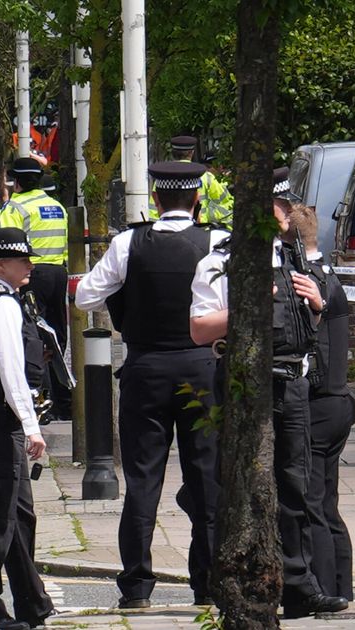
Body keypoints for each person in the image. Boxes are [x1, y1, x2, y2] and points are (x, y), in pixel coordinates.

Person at [189, 167, 347, 619]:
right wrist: (248, 305)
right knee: (244, 487)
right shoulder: (222, 258)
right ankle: (238, 586)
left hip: (294, 381)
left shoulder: (294, 255)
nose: (288, 213)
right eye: (279, 206)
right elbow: (199, 329)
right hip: (248, 384)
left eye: (286, 205)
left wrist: (315, 306)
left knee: (297, 488)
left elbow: (305, 327)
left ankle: (298, 586)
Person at [75, 161, 224, 608]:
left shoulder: (128, 243)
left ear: (156, 200)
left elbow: (86, 295)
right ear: (196, 199)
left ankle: (136, 587)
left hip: (145, 371)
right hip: (202, 369)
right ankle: (208, 583)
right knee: (206, 479)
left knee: (143, 481)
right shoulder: (217, 241)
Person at [0, 227, 56, 630]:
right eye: (23, 260)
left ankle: (33, 604)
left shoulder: (11, 300)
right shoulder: (1, 305)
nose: (30, 266)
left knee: (19, 516)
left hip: (2, 415)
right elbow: (11, 371)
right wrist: (31, 424)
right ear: (0, 264)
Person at [283, 203, 355, 600]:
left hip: (318, 402)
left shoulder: (307, 281)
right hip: (338, 403)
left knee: (312, 505)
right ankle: (340, 586)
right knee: (326, 503)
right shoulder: (327, 274)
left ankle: (325, 588)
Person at [0, 157, 71, 425]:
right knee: (57, 337)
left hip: (33, 276)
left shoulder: (16, 207)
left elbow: (4, 240)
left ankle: (44, 399)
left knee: (34, 338)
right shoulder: (56, 206)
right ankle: (64, 400)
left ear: (16, 181)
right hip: (58, 274)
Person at [147, 135, 234, 226]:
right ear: (192, 153)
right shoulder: (206, 177)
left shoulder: (162, 179)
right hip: (201, 232)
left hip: (166, 233)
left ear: (172, 153)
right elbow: (227, 206)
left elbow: (153, 212)